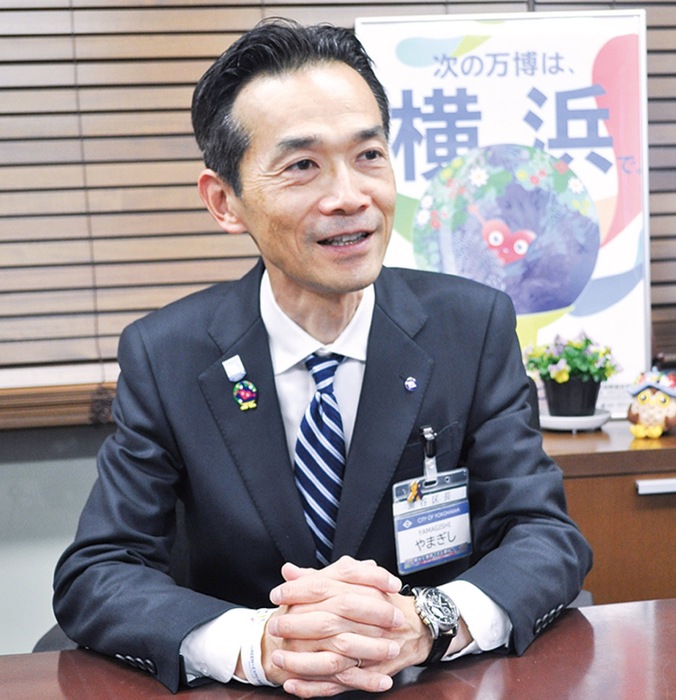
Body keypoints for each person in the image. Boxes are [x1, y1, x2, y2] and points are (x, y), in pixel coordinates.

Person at [53, 19, 592, 697]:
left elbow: (544, 535)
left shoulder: (471, 327)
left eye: (369, 155)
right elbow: (98, 571)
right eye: (303, 166)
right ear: (225, 201)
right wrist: (260, 644)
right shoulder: (167, 355)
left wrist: (427, 620)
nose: (350, 196)